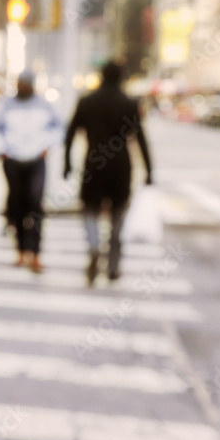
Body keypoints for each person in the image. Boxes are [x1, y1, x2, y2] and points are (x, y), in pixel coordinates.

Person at [64, 61, 152, 286]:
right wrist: (150, 170)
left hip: (94, 164)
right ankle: (113, 264)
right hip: (121, 167)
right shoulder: (130, 104)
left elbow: (70, 133)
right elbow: (141, 138)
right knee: (117, 216)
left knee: (90, 211)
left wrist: (66, 164)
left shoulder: (87, 101)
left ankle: (94, 246)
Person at [0, 71, 62, 273]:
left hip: (36, 160)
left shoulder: (44, 105)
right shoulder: (5, 105)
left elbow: (59, 126)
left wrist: (47, 145)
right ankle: (20, 250)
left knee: (35, 204)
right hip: (13, 160)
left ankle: (35, 253)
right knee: (16, 204)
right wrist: (2, 148)